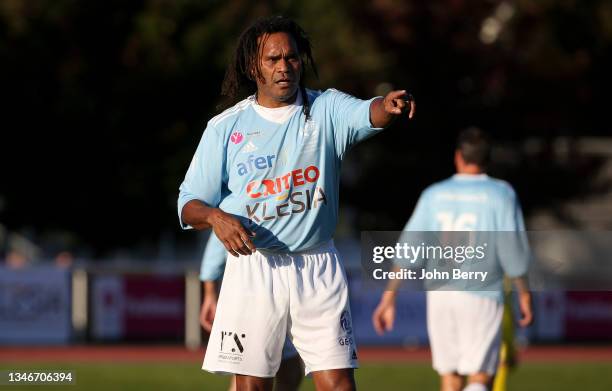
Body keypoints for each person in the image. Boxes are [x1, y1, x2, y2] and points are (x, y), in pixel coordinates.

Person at [178, 15, 415, 391]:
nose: (284, 66)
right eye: (273, 59)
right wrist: (216, 217)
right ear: (252, 66)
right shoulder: (225, 127)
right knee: (253, 386)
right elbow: (188, 204)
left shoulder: (326, 110)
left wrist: (387, 106)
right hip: (254, 267)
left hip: (317, 265)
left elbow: (369, 112)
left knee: (338, 383)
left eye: (292, 57)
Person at [372, 128, 533, 391]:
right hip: (481, 293)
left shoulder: (434, 194)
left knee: (450, 376)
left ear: (458, 157)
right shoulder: (501, 193)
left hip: (440, 294)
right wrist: (524, 294)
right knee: (481, 375)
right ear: (487, 159)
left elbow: (408, 248)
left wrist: (389, 297)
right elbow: (512, 248)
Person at [199, 234, 304, 391]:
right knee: (249, 371)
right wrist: (210, 293)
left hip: (294, 286)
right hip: (254, 289)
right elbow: (216, 245)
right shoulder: (236, 211)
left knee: (291, 370)